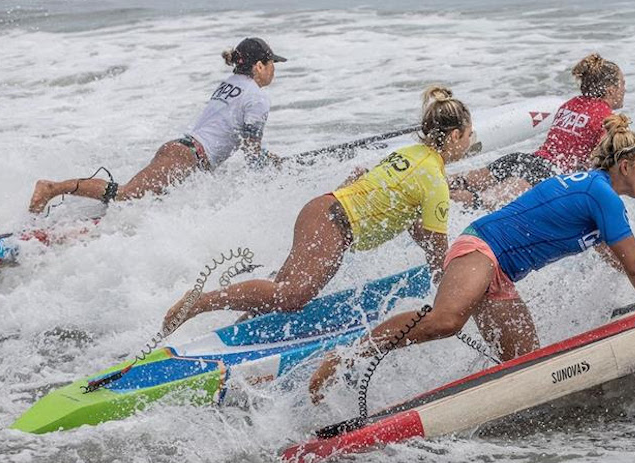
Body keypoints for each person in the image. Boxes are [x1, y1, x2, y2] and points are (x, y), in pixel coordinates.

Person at [308, 114, 635, 402]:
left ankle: (454, 408)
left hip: (497, 271)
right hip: (479, 249)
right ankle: (346, 356)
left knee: (528, 372)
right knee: (446, 319)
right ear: (626, 166)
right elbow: (634, 267)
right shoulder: (603, 196)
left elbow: (621, 260)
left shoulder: (594, 191)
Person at [162, 86, 474, 334]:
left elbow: (377, 188)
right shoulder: (434, 181)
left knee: (276, 296)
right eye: (469, 135)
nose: (470, 142)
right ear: (455, 135)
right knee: (293, 295)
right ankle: (198, 302)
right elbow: (436, 251)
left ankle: (239, 333)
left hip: (324, 211)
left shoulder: (411, 153)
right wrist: (446, 298)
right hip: (333, 223)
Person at [28, 37, 288, 214]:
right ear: (259, 65)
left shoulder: (230, 83)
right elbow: (252, 153)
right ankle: (53, 188)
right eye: (272, 64)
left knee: (144, 207)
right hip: (187, 158)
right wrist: (277, 173)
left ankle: (86, 225)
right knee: (127, 195)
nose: (274, 70)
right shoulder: (257, 97)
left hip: (184, 153)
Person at [449, 53, 625, 210]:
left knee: (463, 181)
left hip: (525, 160)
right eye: (622, 84)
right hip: (547, 176)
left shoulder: (570, 104)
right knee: (481, 201)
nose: (625, 89)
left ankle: (431, 179)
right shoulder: (606, 117)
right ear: (611, 89)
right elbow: (601, 159)